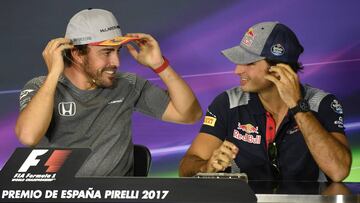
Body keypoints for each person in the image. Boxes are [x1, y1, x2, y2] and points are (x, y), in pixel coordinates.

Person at [15, 8, 202, 177]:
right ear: (77, 54)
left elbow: (189, 115)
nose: (116, 62)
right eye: (106, 52)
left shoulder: (127, 85)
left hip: (116, 195)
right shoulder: (41, 87)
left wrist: (160, 65)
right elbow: (28, 136)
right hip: (59, 195)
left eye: (117, 51)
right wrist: (54, 74)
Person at [179, 21, 351, 182]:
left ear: (279, 68)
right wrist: (206, 166)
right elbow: (186, 167)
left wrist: (298, 107)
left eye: (250, 63)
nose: (237, 70)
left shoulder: (322, 103)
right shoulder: (228, 103)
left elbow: (338, 172)